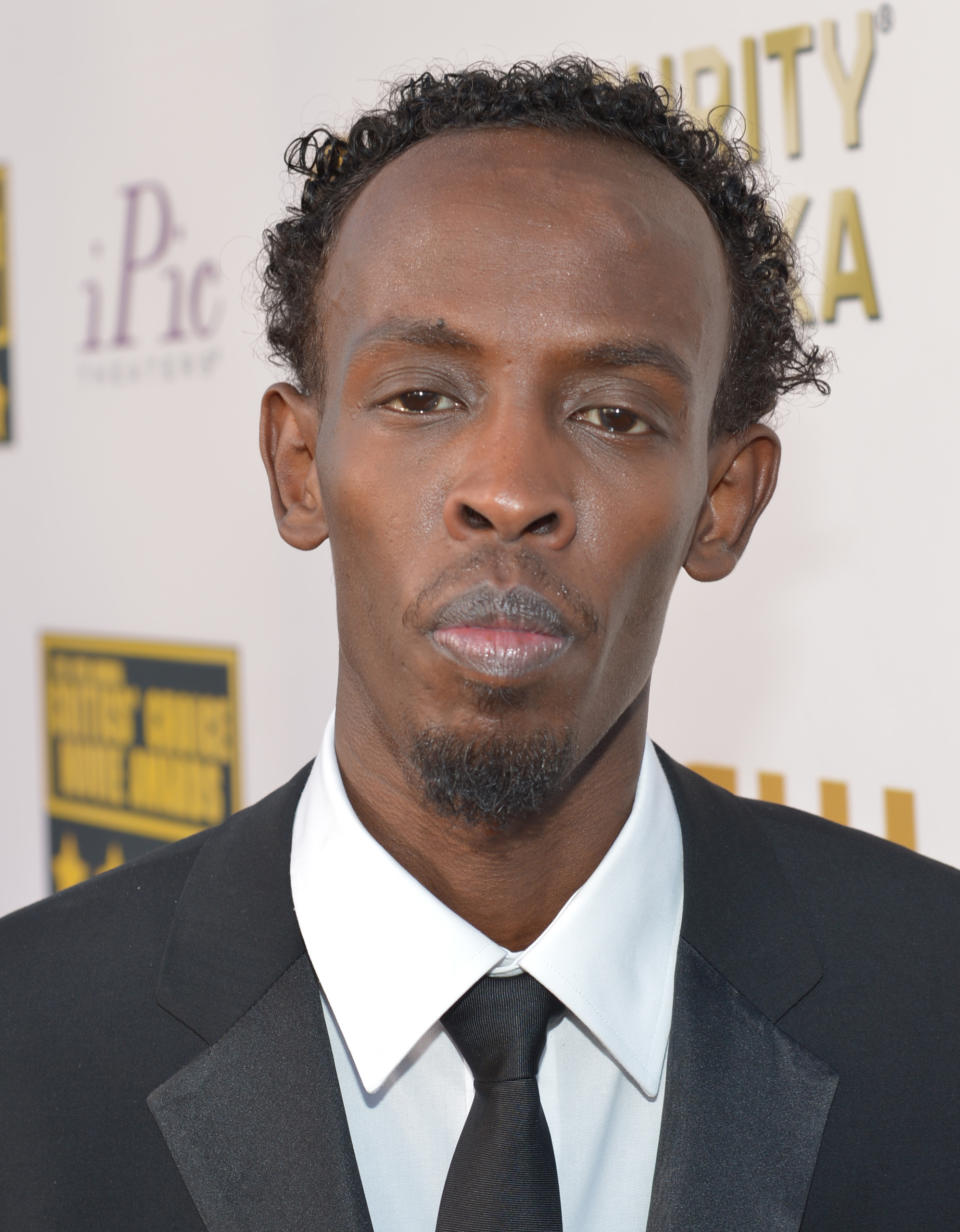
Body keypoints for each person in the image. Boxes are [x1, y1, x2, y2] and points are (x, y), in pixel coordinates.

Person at [1, 59, 958, 1232]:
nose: (509, 490)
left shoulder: (937, 999)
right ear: (299, 468)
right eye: (423, 396)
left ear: (723, 501)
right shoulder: (24, 1041)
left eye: (612, 413)